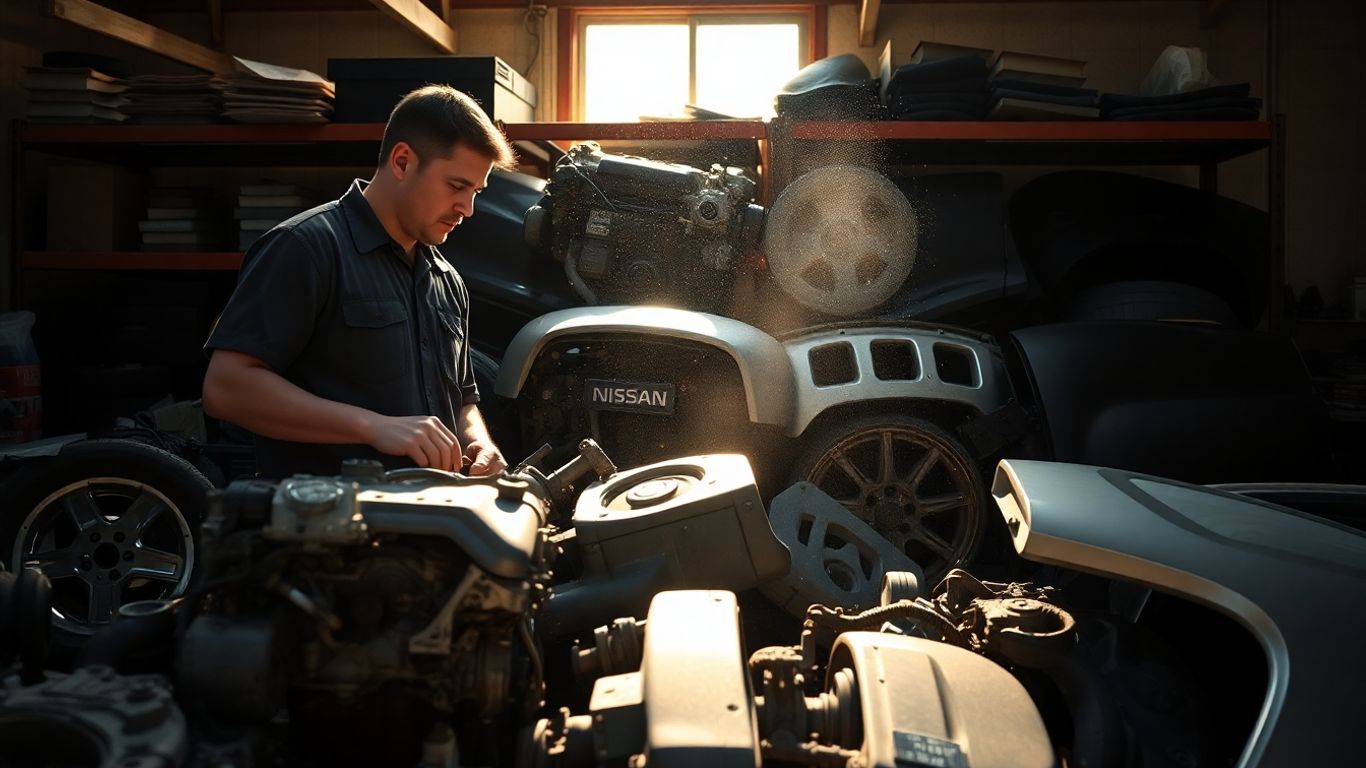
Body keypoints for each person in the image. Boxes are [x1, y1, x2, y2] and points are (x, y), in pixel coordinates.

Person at [202, 86, 515, 478]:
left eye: (476, 191)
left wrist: (479, 442)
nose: (467, 209)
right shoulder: (305, 248)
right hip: (326, 525)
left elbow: (464, 399)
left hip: (431, 522)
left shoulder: (446, 280)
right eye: (456, 186)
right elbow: (226, 388)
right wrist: (373, 426)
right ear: (402, 162)